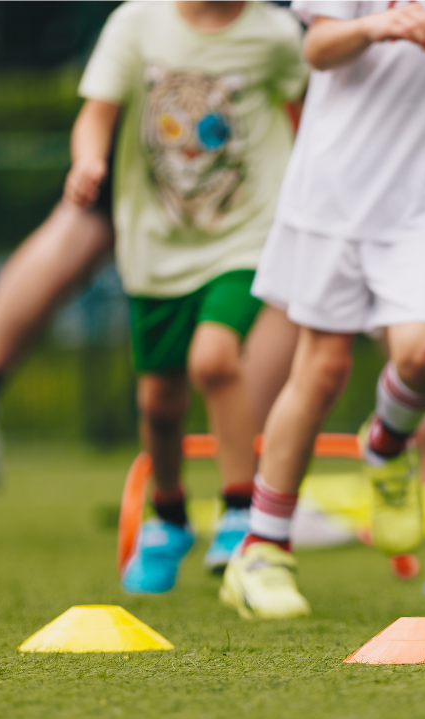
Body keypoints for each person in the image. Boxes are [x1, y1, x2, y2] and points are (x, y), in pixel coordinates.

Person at [217, 0, 425, 619]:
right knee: (322, 368)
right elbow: (317, 48)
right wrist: (373, 26)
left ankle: (385, 444)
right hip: (338, 192)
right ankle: (262, 549)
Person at [64, 0, 307, 592]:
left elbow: (306, 118)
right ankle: (168, 515)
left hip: (247, 232)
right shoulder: (136, 24)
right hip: (158, 243)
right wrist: (88, 160)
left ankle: (238, 511)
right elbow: (97, 113)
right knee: (159, 401)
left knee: (215, 358)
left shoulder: (275, 35)